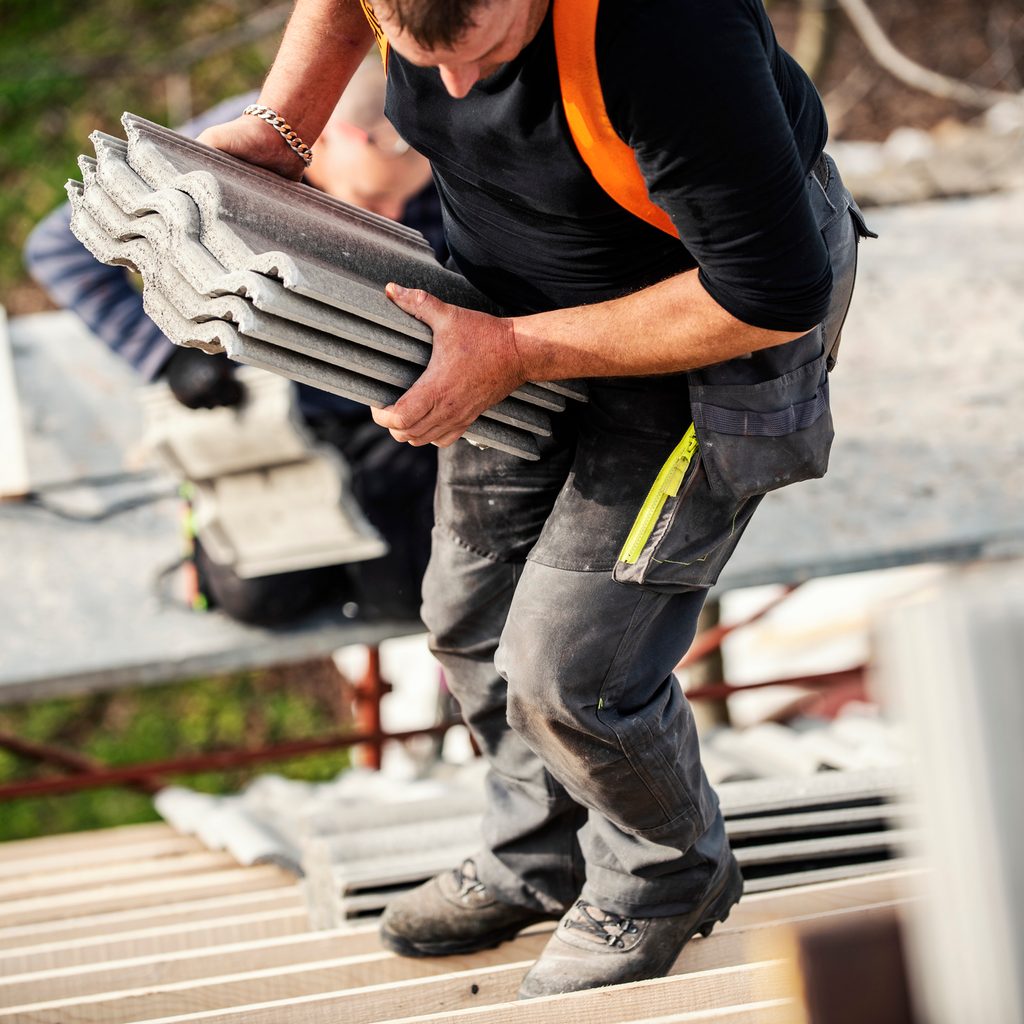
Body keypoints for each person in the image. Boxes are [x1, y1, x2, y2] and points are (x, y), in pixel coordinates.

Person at [196, 0, 873, 996]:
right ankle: (540, 851)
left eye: (484, 53)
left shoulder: (670, 34)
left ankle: (662, 876)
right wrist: (284, 124)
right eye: (422, 59)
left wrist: (515, 351)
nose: (455, 89)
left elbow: (770, 294)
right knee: (466, 612)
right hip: (509, 307)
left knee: (570, 668)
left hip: (701, 331)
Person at [24, 56, 444, 625]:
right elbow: (58, 249)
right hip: (265, 413)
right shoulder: (235, 147)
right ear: (330, 138)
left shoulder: (445, 159)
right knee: (260, 603)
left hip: (387, 417)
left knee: (402, 596)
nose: (394, 215)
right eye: (373, 199)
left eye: (404, 200)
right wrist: (165, 356)